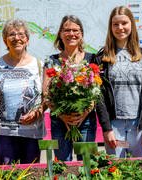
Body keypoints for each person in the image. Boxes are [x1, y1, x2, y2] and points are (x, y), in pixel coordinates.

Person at [92, 6, 142, 158]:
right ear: (110, 27)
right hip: (114, 125)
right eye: (115, 24)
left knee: (135, 169)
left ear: (132, 25)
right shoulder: (102, 58)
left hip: (138, 125)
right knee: (115, 169)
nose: (120, 28)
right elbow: (99, 97)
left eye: (124, 23)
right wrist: (106, 128)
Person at [0, 19, 45, 165]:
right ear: (5, 40)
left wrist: (37, 113)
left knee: (31, 173)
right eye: (11, 34)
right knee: (7, 173)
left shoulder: (39, 66)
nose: (17, 38)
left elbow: (45, 98)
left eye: (21, 34)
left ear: (27, 39)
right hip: (4, 134)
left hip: (32, 133)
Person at [43, 15, 97, 161]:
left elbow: (97, 93)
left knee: (87, 163)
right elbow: (46, 94)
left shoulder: (92, 59)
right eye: (67, 30)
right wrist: (63, 116)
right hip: (59, 121)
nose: (71, 34)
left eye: (75, 30)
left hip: (86, 121)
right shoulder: (51, 61)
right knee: (62, 164)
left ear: (81, 34)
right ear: (60, 34)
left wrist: (83, 114)